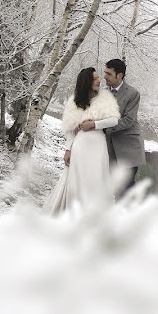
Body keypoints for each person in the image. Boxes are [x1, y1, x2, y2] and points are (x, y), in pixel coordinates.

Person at [43, 67, 121, 215]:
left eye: (99, 77)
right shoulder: (74, 101)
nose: (99, 80)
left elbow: (114, 120)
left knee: (97, 181)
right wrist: (68, 149)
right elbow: (70, 129)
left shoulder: (105, 98)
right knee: (78, 182)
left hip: (98, 146)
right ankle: (75, 216)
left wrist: (94, 124)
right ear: (86, 82)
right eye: (95, 78)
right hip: (80, 147)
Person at [103, 59, 145, 194]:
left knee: (127, 187)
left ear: (119, 75)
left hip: (128, 147)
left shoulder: (133, 94)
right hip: (108, 147)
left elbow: (129, 120)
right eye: (105, 73)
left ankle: (130, 213)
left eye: (108, 74)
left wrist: (102, 128)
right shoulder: (102, 93)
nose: (105, 77)